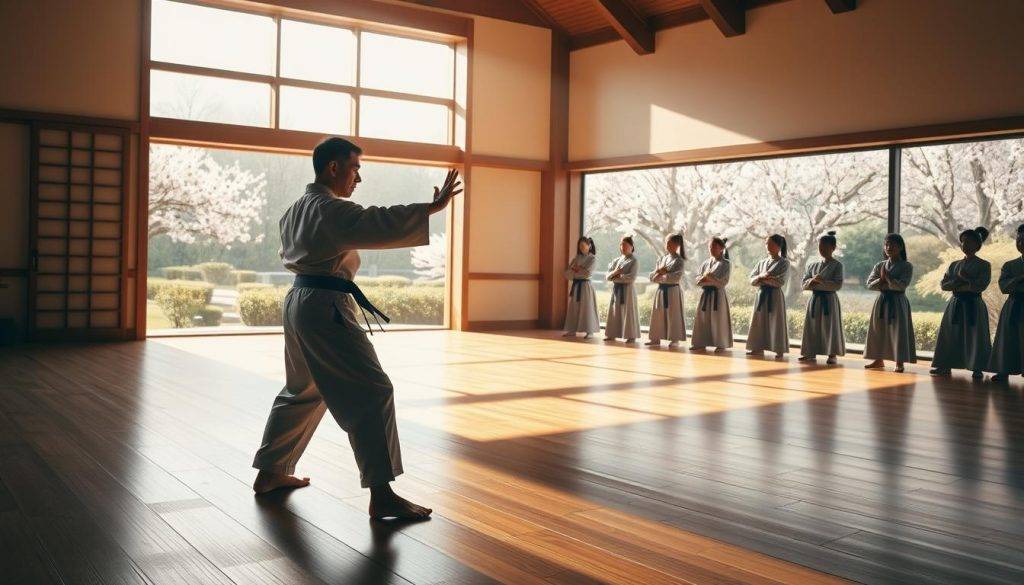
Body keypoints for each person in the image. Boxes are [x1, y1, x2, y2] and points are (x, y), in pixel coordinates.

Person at [251, 137, 462, 521]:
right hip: (324, 307)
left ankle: (270, 472)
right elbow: (373, 222)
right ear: (333, 168)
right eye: (355, 168)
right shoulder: (328, 209)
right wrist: (431, 208)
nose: (358, 178)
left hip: (301, 301)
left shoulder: (297, 208)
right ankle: (381, 493)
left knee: (304, 389)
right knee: (372, 390)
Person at [930, 227, 992, 379]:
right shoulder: (954, 265)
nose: (965, 245)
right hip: (956, 302)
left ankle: (978, 367)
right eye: (963, 242)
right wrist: (961, 282)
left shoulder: (984, 265)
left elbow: (981, 285)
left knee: (976, 335)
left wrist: (962, 280)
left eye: (969, 242)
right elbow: (944, 285)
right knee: (950, 334)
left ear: (977, 245)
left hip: (973, 303)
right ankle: (945, 364)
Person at [863, 233, 916, 373]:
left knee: (898, 331)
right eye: (886, 244)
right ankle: (878, 359)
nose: (888, 247)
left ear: (901, 247)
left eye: (892, 244)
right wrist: (881, 281)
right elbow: (869, 285)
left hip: (898, 301)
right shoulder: (879, 265)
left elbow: (902, 286)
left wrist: (888, 279)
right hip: (882, 300)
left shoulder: (907, 266)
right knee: (879, 329)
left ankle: (900, 361)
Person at [798, 231, 846, 364]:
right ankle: (810, 352)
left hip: (829, 300)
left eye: (825, 247)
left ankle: (832, 353)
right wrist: (812, 282)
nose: (822, 249)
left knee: (829, 326)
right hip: (815, 299)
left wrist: (818, 283)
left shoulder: (837, 265)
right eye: (820, 247)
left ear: (833, 247)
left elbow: (837, 285)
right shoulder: (812, 265)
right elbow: (803, 284)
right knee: (812, 326)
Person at [989, 224, 1024, 382]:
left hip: (1016, 300)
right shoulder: (1009, 265)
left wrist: (1016, 282)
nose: (1021, 242)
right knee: (1008, 339)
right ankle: (1004, 369)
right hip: (1014, 303)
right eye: (1019, 239)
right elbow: (1004, 287)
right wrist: (1019, 278)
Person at [746, 234, 790, 358]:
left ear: (779, 246)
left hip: (775, 296)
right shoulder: (762, 263)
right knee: (759, 321)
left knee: (776, 321)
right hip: (761, 294)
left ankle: (779, 349)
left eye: (771, 244)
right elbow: (751, 279)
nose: (768, 246)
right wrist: (761, 277)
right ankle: (757, 347)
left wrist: (763, 279)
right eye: (766, 244)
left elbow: (780, 281)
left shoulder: (784, 263)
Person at [690, 237, 733, 352]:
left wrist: (710, 278)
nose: (711, 249)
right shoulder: (706, 263)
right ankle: (700, 342)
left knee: (718, 319)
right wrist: (704, 279)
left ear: (722, 248)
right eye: (710, 247)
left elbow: (723, 282)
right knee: (703, 319)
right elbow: (697, 278)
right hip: (706, 294)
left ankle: (721, 344)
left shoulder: (726, 264)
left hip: (718, 294)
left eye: (714, 246)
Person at [646, 233, 686, 347]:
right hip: (661, 290)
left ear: (677, 245)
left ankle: (675, 339)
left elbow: (676, 277)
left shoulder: (679, 261)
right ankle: (655, 338)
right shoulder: (662, 259)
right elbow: (652, 276)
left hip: (673, 290)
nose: (667, 245)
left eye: (670, 243)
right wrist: (659, 273)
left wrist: (662, 275)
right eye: (666, 243)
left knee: (673, 314)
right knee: (658, 314)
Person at [604, 236, 641, 342]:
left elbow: (631, 278)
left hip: (628, 290)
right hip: (617, 290)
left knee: (628, 311)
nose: (623, 247)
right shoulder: (616, 260)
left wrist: (617, 277)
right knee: (615, 311)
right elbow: (607, 276)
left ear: (631, 246)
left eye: (625, 245)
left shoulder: (634, 260)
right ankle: (612, 334)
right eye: (621, 245)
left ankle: (631, 335)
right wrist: (615, 273)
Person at [563, 236, 600, 338]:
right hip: (576, 285)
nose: (581, 248)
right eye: (580, 246)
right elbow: (567, 273)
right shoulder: (576, 258)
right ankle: (572, 330)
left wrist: (577, 270)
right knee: (574, 308)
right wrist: (578, 270)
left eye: (583, 245)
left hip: (586, 286)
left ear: (589, 246)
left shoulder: (592, 258)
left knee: (587, 308)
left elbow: (587, 274)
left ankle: (590, 331)